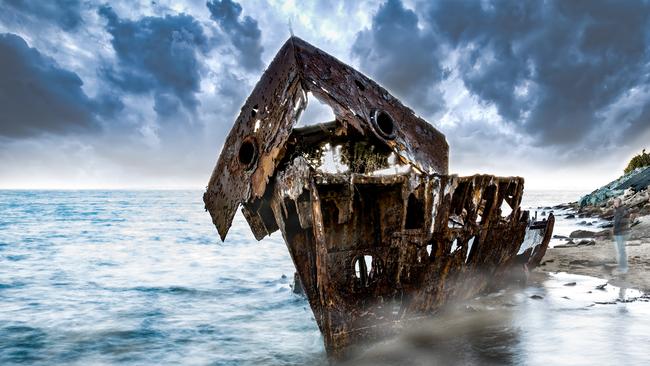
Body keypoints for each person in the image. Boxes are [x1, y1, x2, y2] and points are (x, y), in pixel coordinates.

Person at [612, 197, 630, 274]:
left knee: (621, 250)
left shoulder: (621, 210)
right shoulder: (618, 210)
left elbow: (620, 222)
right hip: (620, 232)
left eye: (616, 202)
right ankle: (623, 266)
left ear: (620, 203)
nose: (614, 204)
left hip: (621, 232)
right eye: (614, 202)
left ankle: (624, 268)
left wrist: (616, 230)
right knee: (621, 250)